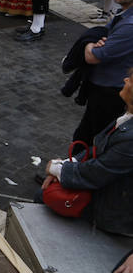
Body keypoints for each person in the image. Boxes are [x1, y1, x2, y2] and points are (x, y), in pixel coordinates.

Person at [41, 72, 133, 237]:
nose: (125, 80)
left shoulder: (130, 138)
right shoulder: (128, 118)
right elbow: (100, 147)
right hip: (107, 191)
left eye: (131, 80)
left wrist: (58, 170)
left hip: (110, 210)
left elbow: (98, 172)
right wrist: (69, 163)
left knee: (44, 197)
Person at [72, 0, 133, 144]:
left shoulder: (130, 25)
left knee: (94, 142)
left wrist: (88, 45)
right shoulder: (125, 13)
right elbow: (103, 34)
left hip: (111, 95)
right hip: (106, 89)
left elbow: (93, 56)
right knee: (85, 137)